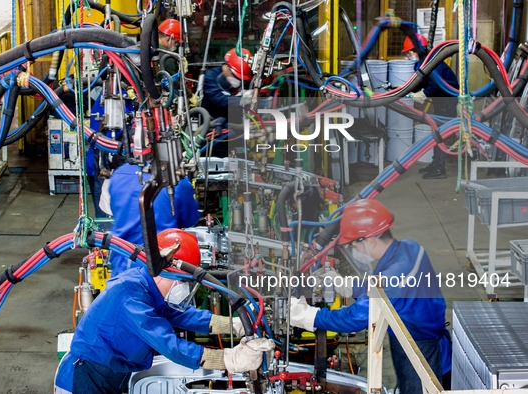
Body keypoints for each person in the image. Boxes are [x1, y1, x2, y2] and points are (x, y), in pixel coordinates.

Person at [54, 229, 274, 394]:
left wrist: (231, 324)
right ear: (163, 272)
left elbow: (181, 314)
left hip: (111, 374)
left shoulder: (148, 286)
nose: (184, 289)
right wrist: (229, 359)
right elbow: (169, 344)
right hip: (85, 379)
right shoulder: (130, 297)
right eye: (182, 282)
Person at [289, 199, 451, 393]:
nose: (354, 251)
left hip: (421, 350)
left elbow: (356, 318)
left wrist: (308, 316)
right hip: (416, 336)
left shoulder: (396, 273)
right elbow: (386, 290)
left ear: (371, 240)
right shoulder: (409, 248)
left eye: (354, 246)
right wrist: (351, 287)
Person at [108, 162, 200, 275]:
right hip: (160, 269)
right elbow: (189, 219)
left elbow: (116, 212)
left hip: (121, 265)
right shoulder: (177, 179)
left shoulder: (118, 175)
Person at [402, 33, 459, 180]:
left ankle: (440, 169)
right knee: (436, 130)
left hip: (448, 99)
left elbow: (435, 84)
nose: (408, 55)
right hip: (441, 99)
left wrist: (423, 94)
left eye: (409, 52)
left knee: (442, 133)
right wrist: (405, 89)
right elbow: (420, 81)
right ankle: (435, 164)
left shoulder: (432, 62)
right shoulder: (422, 62)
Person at [201, 48, 254, 121]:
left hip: (236, 123)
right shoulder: (211, 76)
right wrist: (242, 100)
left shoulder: (246, 78)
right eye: (236, 77)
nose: (239, 81)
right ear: (227, 67)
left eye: (241, 79)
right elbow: (218, 100)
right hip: (212, 122)